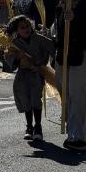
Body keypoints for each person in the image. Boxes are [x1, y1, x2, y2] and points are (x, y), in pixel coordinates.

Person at [54, 0, 86, 152]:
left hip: (81, 53)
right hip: (64, 54)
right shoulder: (62, 3)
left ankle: (79, 137)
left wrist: (74, 18)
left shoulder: (85, 2)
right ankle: (72, 130)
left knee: (78, 94)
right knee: (66, 92)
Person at [5, 14, 53, 142]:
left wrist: (41, 65)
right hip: (22, 75)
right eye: (22, 27)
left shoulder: (39, 39)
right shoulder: (14, 43)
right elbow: (9, 60)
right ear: (17, 30)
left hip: (36, 73)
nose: (26, 29)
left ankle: (38, 127)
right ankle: (29, 127)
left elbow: (51, 48)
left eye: (27, 26)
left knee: (35, 99)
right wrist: (16, 58)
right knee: (24, 99)